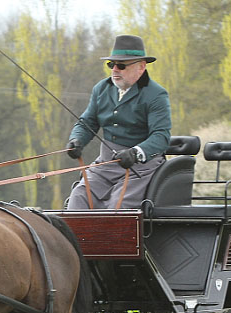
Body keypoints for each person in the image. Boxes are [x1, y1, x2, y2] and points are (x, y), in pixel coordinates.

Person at [65, 35, 171, 209]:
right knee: (78, 197)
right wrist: (77, 139)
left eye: (121, 65)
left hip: (141, 167)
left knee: (118, 206)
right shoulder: (101, 89)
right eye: (111, 64)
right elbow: (87, 122)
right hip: (105, 163)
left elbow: (161, 136)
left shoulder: (156, 94)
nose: (115, 70)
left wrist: (135, 153)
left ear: (141, 67)